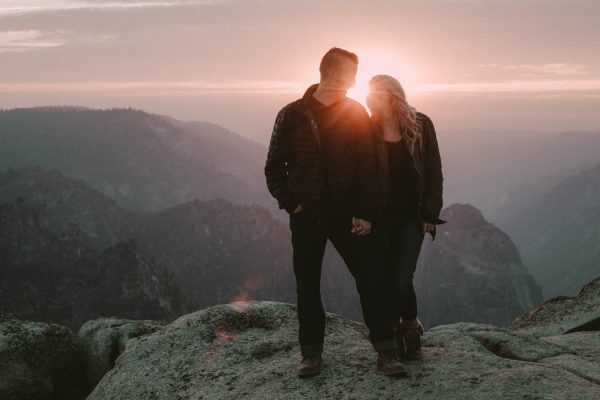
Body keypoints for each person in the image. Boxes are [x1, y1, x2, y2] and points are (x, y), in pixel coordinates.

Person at [264, 48, 408, 377]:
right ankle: (311, 354)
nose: (356, 81)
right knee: (308, 284)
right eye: (351, 74)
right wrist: (293, 203)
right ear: (332, 75)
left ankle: (386, 351)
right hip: (307, 216)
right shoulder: (292, 115)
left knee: (370, 279)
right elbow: (273, 169)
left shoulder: (355, 112)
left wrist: (364, 213)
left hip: (349, 216)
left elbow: (368, 168)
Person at [366, 74, 446, 361]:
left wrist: (430, 214)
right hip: (380, 218)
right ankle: (391, 332)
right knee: (385, 277)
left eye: (377, 93)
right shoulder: (367, 127)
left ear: (392, 94)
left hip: (412, 218)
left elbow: (434, 171)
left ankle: (410, 326)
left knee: (402, 277)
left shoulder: (421, 124)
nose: (371, 98)